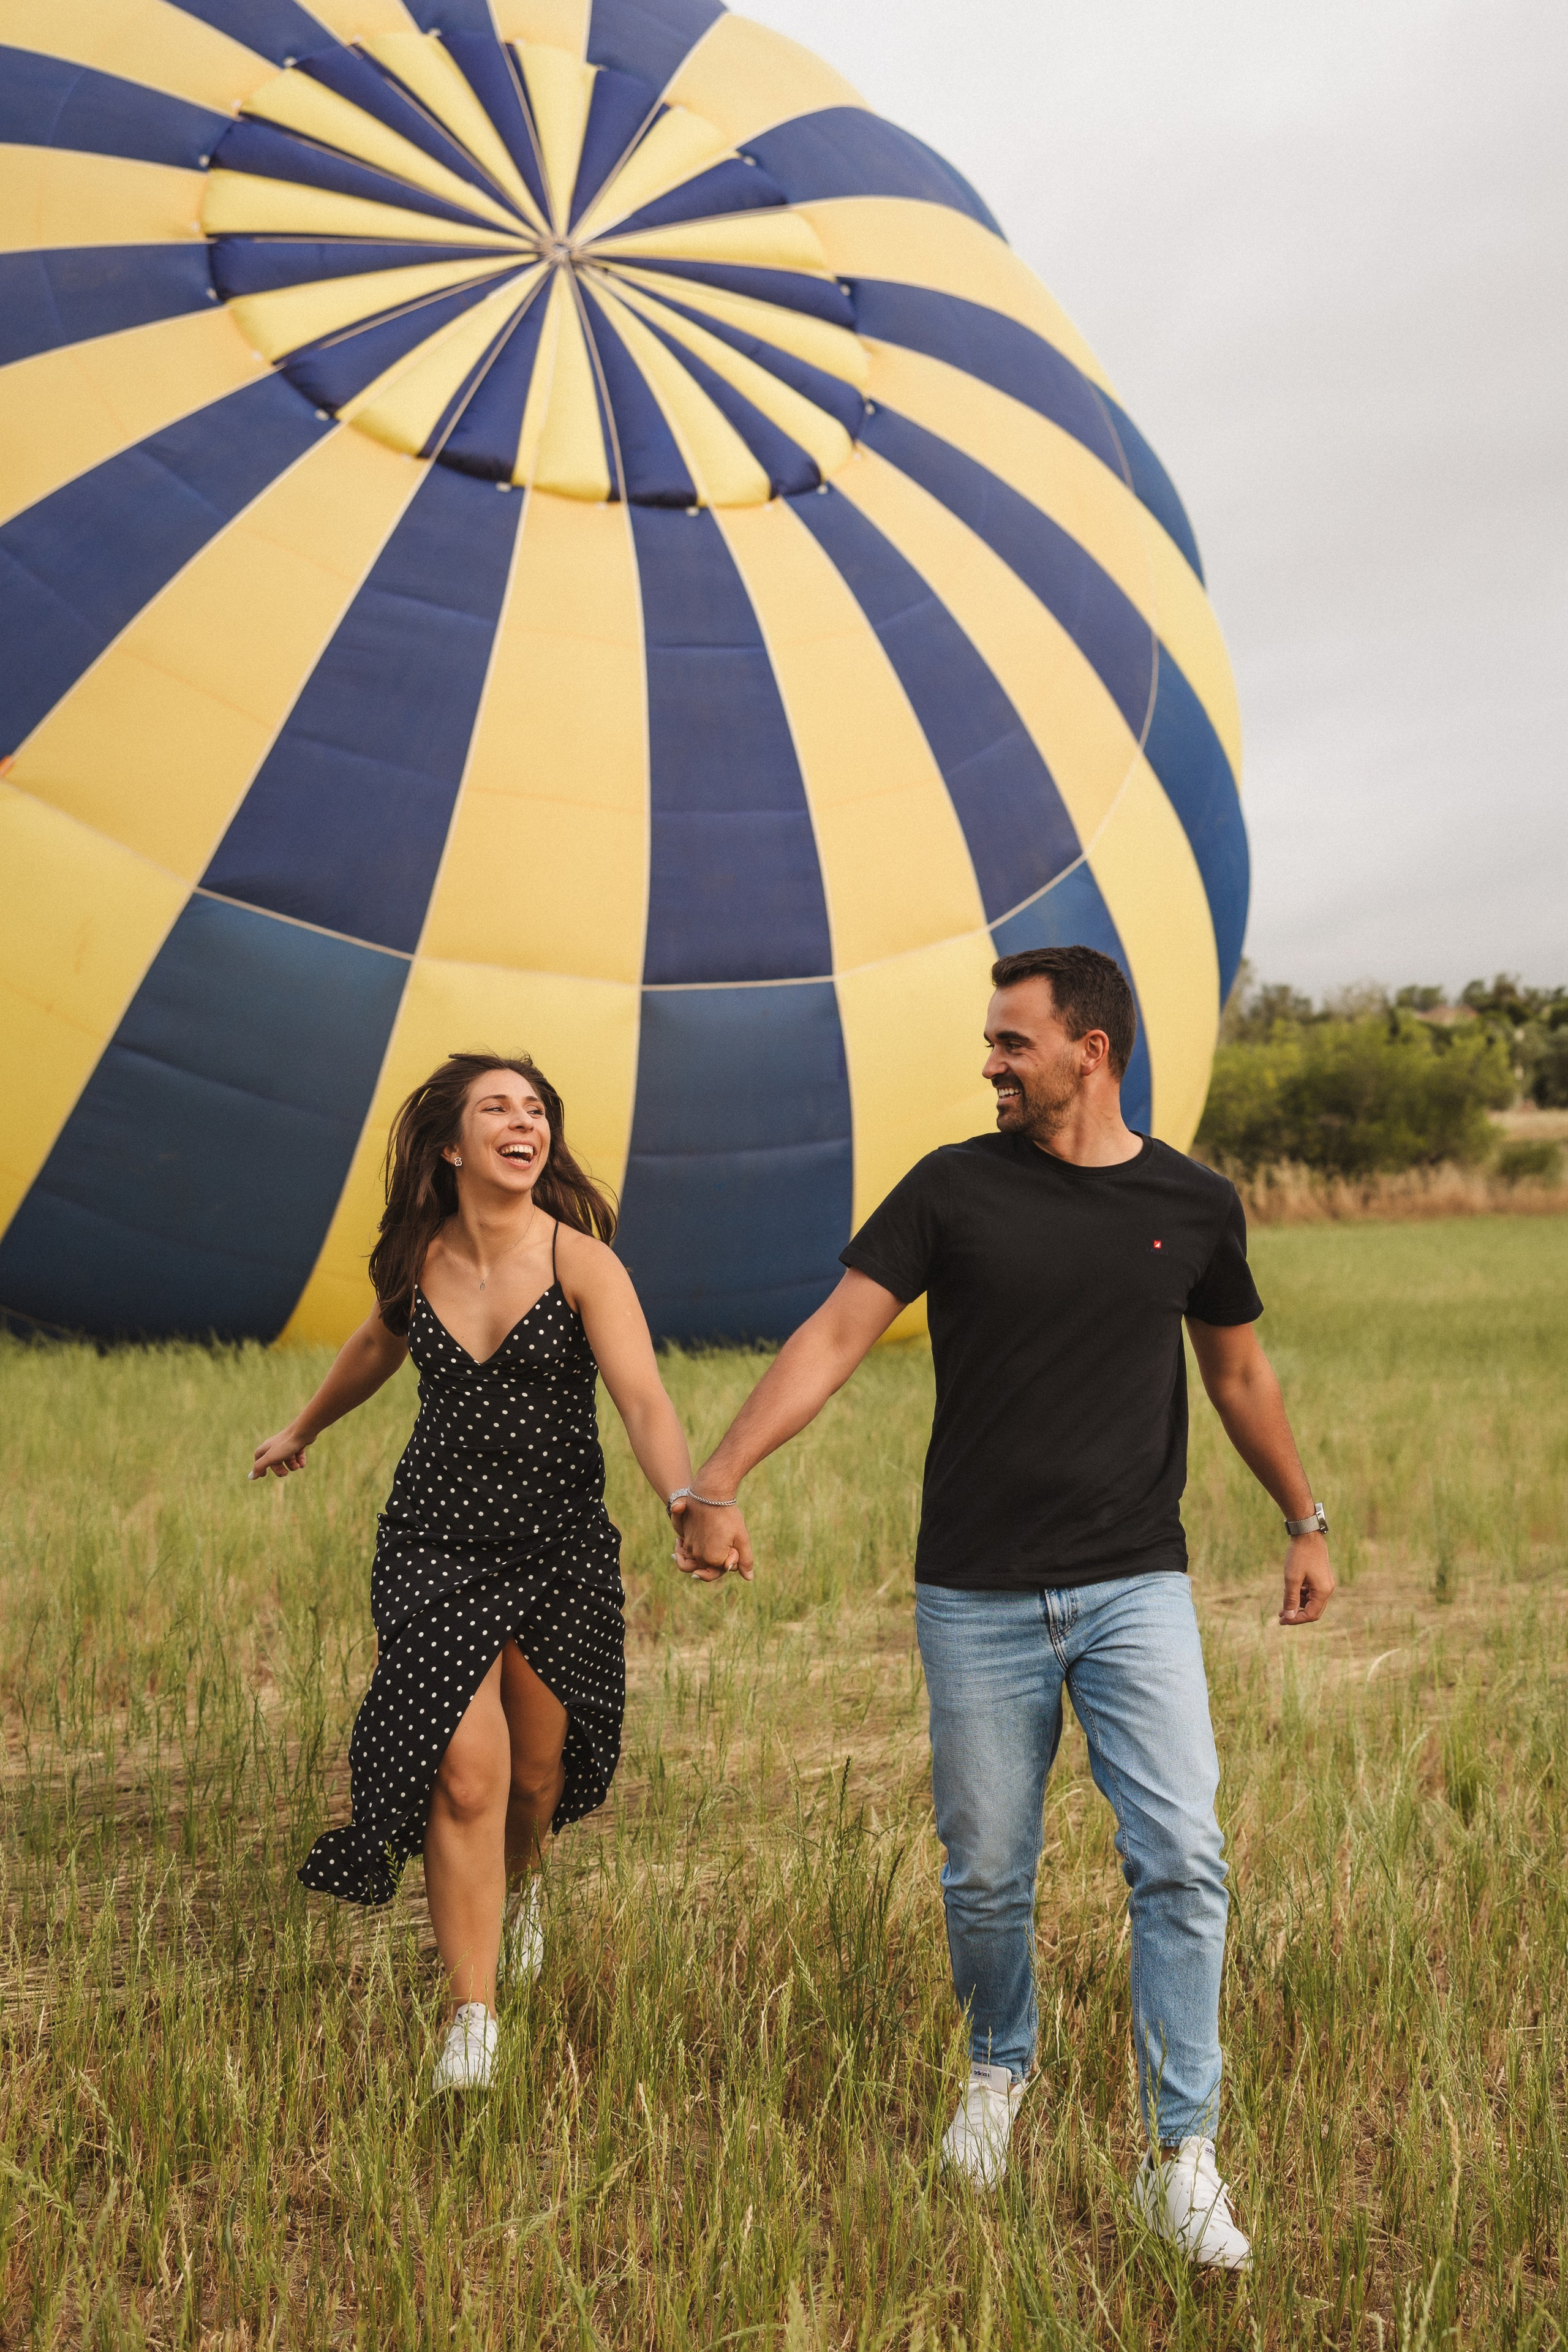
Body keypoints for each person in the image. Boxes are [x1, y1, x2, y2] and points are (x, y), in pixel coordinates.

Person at [672, 945, 1334, 2270]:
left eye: (1010, 1042)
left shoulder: (1191, 1203)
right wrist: (720, 1474)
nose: (989, 1061)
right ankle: (998, 2074)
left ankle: (1179, 2156)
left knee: (1182, 1858)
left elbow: (1240, 1377)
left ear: (1087, 1050)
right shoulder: (950, 1189)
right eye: (990, 1041)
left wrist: (1301, 1519)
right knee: (985, 1873)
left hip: (1134, 1583)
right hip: (973, 1593)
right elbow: (833, 1336)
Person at [251, 1052, 712, 2094]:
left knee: (534, 1779)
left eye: (537, 1108)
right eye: (497, 1107)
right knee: (465, 1774)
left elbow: (643, 1400)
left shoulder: (582, 1262)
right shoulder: (418, 1259)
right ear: (453, 1145)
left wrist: (684, 1499)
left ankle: (528, 1881)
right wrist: (302, 1427)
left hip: (558, 1549)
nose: (525, 1120)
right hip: (435, 1545)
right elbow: (377, 1344)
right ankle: (473, 2017)